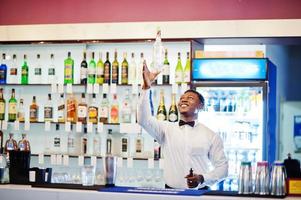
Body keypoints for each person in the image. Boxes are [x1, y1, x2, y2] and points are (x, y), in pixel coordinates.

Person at [137, 61, 228, 189]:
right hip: (170, 194)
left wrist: (202, 178)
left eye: (190, 98)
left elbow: (223, 169)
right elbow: (143, 119)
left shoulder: (211, 136)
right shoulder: (166, 129)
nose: (184, 100)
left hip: (199, 194)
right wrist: (146, 88)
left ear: (201, 106)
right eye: (182, 98)